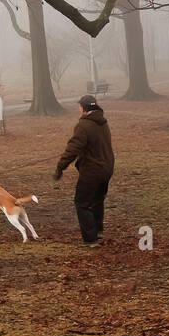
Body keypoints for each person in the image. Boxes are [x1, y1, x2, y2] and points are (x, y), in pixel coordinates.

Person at [54, 95, 114, 247]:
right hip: (106, 168)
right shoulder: (102, 122)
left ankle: (91, 239)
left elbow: (73, 148)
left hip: (92, 170)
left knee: (82, 203)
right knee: (97, 200)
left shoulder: (84, 125)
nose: (79, 108)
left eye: (80, 106)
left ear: (84, 108)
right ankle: (98, 231)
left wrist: (61, 167)